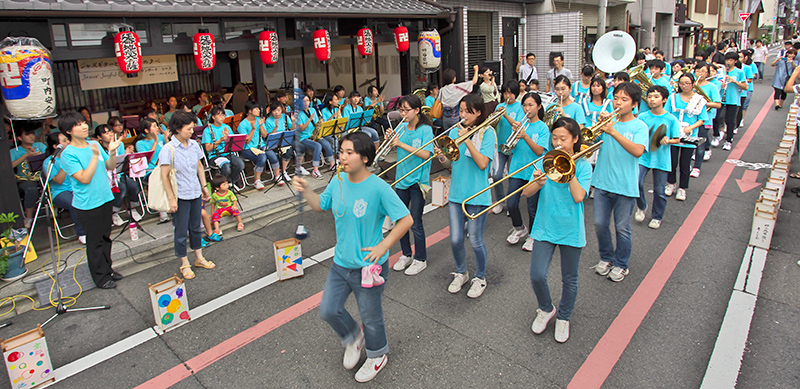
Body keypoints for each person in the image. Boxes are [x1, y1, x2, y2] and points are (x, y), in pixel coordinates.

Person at [293, 131, 412, 383]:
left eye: (349, 152)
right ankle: (353, 337)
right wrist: (306, 190)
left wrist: (384, 246)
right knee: (328, 310)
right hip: (341, 263)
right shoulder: (337, 181)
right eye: (341, 152)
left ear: (365, 158)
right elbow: (320, 205)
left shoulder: (379, 187)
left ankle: (377, 355)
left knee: (371, 317)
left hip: (369, 267)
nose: (342, 157)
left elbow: (406, 219)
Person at [523, 117, 591, 343]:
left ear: (575, 139)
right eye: (554, 138)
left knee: (569, 278)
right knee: (537, 274)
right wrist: (538, 182)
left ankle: (564, 317)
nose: (558, 143)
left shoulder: (582, 165)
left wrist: (568, 169)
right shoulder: (545, 160)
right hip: (545, 225)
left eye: (563, 138)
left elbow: (579, 196)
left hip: (571, 228)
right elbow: (528, 193)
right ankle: (546, 308)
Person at [436, 94, 496, 298]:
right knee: (455, 239)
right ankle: (461, 272)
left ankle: (480, 277)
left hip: (478, 194)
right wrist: (442, 156)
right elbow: (450, 163)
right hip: (456, 193)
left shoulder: (488, 133)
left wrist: (468, 138)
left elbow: (482, 164)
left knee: (476, 240)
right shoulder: (454, 131)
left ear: (478, 112)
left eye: (467, 111)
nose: (462, 115)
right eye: (460, 110)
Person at [592, 82, 648, 283]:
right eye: (616, 98)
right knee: (599, 224)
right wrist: (598, 128)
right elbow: (589, 144)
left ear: (634, 104)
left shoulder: (639, 126)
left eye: (624, 99)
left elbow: (638, 151)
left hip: (625, 185)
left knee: (622, 227)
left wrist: (613, 132)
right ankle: (606, 257)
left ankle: (621, 263)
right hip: (602, 181)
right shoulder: (608, 121)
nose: (618, 102)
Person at [59, 112, 122, 289]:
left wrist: (111, 151)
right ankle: (100, 278)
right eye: (78, 124)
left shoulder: (94, 144)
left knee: (106, 237)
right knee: (95, 242)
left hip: (104, 197)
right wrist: (94, 156)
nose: (84, 126)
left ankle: (108, 270)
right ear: (68, 131)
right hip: (87, 203)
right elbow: (84, 178)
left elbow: (109, 166)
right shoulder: (68, 154)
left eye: (83, 123)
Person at [160, 111, 215, 280]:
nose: (192, 131)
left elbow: (199, 166)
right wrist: (171, 198)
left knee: (195, 227)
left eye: (192, 128)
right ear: (177, 129)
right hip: (180, 195)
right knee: (181, 230)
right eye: (188, 128)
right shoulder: (168, 149)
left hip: (194, 192)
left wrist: (204, 186)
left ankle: (199, 257)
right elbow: (164, 175)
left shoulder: (193, 145)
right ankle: (184, 262)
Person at [388, 95, 434, 276]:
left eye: (406, 110)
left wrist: (400, 143)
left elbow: (426, 154)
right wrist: (391, 141)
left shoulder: (426, 130)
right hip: (401, 180)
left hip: (417, 182)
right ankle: (406, 254)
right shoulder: (400, 127)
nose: (403, 113)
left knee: (415, 222)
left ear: (417, 111)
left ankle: (420, 258)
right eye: (401, 110)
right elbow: (393, 147)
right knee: (401, 221)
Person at [505, 92, 549, 251]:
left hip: (534, 171)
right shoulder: (520, 124)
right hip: (517, 168)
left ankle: (533, 234)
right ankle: (519, 228)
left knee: (532, 207)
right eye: (524, 105)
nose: (527, 108)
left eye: (530, 105)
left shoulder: (543, 128)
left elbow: (539, 151)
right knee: (511, 203)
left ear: (539, 107)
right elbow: (510, 147)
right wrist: (515, 137)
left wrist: (524, 136)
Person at [635, 86, 681, 229]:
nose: (652, 99)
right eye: (649, 96)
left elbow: (677, 139)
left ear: (664, 99)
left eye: (656, 97)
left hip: (661, 158)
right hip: (644, 156)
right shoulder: (642, 117)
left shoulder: (671, 119)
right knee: (636, 182)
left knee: (659, 190)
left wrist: (668, 140)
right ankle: (642, 206)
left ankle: (657, 217)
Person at [664, 73, 707, 201]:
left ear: (693, 84)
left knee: (685, 162)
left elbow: (702, 119)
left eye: (687, 83)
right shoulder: (673, 97)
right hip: (674, 135)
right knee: (672, 162)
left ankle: (682, 188)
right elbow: (666, 114)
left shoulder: (699, 99)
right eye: (682, 83)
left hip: (689, 136)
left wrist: (690, 128)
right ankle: (671, 184)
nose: (684, 86)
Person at [94, 124, 142, 227]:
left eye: (110, 131)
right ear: (99, 137)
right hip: (107, 177)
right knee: (121, 188)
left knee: (134, 185)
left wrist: (126, 153)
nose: (110, 134)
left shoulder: (118, 145)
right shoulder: (99, 149)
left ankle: (131, 208)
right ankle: (114, 212)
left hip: (119, 173)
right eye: (106, 133)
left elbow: (121, 160)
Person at [43, 132, 86, 244]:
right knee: (74, 203)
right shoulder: (49, 162)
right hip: (59, 192)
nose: (68, 142)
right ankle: (82, 233)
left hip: (76, 187)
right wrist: (64, 163)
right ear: (56, 146)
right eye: (64, 140)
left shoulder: (72, 156)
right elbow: (59, 180)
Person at [491, 81, 526, 215]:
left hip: (514, 148)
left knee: (513, 178)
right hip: (500, 147)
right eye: (505, 92)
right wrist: (496, 117)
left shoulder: (519, 108)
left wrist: (505, 115)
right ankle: (500, 201)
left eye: (511, 92)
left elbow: (518, 125)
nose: (508, 95)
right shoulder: (499, 106)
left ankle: (512, 203)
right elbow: (493, 124)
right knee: (496, 175)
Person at [9, 125, 46, 228]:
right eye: (27, 134)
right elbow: (10, 165)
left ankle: (53, 206)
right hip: (24, 179)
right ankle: (29, 217)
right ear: (19, 138)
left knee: (54, 182)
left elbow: (51, 158)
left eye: (32, 134)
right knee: (31, 189)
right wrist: (26, 156)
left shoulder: (40, 146)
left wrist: (39, 156)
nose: (31, 136)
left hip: (41, 176)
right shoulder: (14, 151)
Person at [203, 107, 246, 187]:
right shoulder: (207, 130)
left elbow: (234, 143)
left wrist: (228, 140)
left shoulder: (227, 127)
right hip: (215, 155)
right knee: (226, 166)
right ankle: (222, 185)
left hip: (227, 153)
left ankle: (230, 181)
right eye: (219, 115)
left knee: (240, 164)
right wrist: (220, 140)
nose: (222, 117)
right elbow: (208, 148)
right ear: (213, 117)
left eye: (223, 115)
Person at [691, 63, 722, 175]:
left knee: (700, 142)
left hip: (705, 118)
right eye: (698, 71)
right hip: (690, 118)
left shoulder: (712, 87)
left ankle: (697, 167)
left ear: (708, 73)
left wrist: (704, 102)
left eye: (703, 71)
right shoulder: (692, 85)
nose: (700, 73)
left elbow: (718, 104)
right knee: (689, 142)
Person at [296, 95, 335, 175]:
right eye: (303, 101)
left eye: (307, 100)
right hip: (304, 137)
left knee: (326, 144)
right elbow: (302, 129)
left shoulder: (313, 110)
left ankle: (332, 164)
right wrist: (310, 119)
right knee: (318, 146)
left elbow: (316, 124)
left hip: (314, 135)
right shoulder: (299, 114)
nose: (305, 103)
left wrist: (320, 123)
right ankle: (315, 170)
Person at [261, 101, 298, 182]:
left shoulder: (285, 117)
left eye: (278, 110)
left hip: (284, 141)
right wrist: (276, 127)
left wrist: (293, 121)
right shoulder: (268, 121)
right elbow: (268, 136)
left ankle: (284, 171)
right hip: (274, 142)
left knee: (293, 148)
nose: (277, 113)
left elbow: (291, 129)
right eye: (274, 111)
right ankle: (280, 172)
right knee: (285, 151)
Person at [720, 52, 748, 150]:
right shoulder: (721, 71)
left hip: (733, 99)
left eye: (731, 60)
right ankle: (718, 134)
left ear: (735, 61)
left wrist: (734, 81)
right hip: (720, 98)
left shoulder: (739, 72)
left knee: (730, 120)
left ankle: (728, 140)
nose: (728, 62)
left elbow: (745, 86)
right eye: (727, 60)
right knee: (718, 117)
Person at [439, 66, 480, 130]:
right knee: (457, 133)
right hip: (455, 117)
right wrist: (476, 70)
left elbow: (439, 101)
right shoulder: (458, 88)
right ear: (454, 78)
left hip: (445, 118)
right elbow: (474, 81)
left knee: (447, 135)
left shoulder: (442, 90)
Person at [737, 50, 756, 129]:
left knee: (743, 105)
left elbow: (750, 78)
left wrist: (741, 81)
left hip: (746, 89)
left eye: (741, 57)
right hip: (735, 89)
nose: (739, 59)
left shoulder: (748, 67)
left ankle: (741, 119)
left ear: (745, 58)